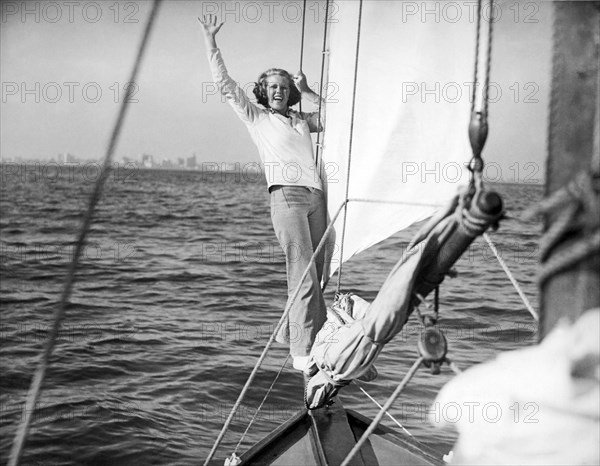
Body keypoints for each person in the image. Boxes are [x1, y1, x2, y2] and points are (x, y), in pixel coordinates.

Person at [198, 15, 328, 372]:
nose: (278, 91)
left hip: (316, 198)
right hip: (286, 198)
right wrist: (211, 43)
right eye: (272, 86)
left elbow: (339, 118)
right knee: (302, 273)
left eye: (284, 86)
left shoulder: (301, 121)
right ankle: (303, 354)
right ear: (263, 90)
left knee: (318, 271)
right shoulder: (257, 118)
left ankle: (291, 333)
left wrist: (311, 92)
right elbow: (224, 85)